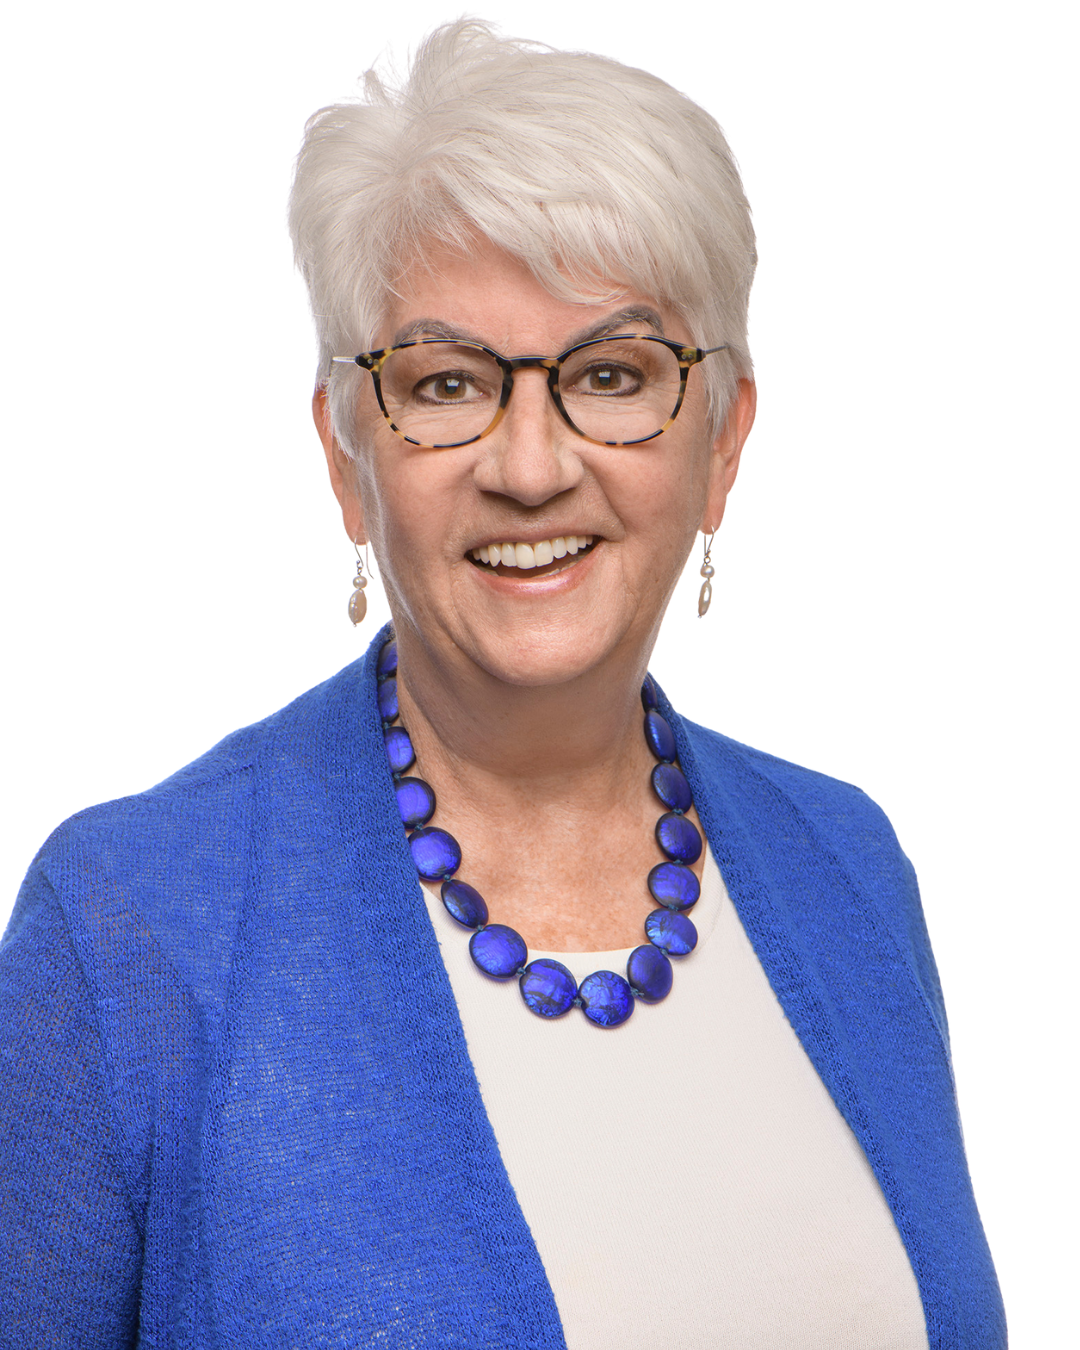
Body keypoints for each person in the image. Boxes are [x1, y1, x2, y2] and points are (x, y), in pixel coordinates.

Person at [0, 14, 1007, 1348]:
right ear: (349, 455)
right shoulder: (125, 923)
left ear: (727, 441)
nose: (530, 465)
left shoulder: (850, 863)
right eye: (448, 381)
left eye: (611, 373)